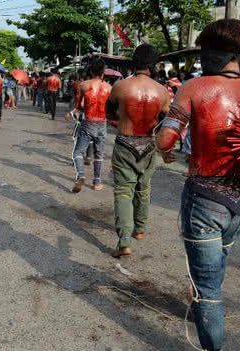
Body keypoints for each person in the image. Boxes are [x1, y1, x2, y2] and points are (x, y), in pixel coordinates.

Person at [155, 20, 240, 351]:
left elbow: (166, 137)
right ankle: (200, 301)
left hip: (203, 198)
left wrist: (166, 151)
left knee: (208, 289)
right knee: (216, 262)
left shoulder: (194, 88)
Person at [106, 44, 170, 257]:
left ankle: (124, 241)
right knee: (144, 188)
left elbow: (110, 113)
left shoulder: (120, 86)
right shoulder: (162, 92)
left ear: (134, 62)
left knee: (123, 191)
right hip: (148, 143)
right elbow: (166, 121)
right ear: (153, 65)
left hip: (125, 141)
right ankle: (140, 229)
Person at [66, 58, 111, 193]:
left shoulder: (83, 85)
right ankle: (97, 182)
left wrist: (72, 113)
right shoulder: (109, 88)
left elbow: (79, 106)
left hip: (88, 121)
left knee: (78, 152)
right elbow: (112, 109)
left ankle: (81, 175)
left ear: (90, 70)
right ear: (103, 72)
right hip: (102, 122)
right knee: (99, 153)